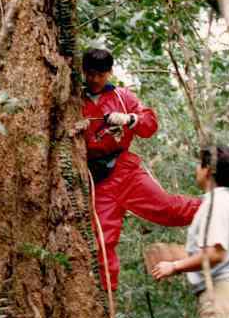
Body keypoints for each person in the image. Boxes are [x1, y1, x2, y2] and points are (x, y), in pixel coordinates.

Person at [80, 48, 202, 291]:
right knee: (101, 242)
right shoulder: (73, 98)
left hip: (125, 170)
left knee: (168, 209)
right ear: (83, 71)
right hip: (98, 180)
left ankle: (212, 207)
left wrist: (129, 120)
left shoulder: (122, 97)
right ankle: (105, 301)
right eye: (91, 74)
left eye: (101, 75)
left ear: (109, 73)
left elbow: (149, 125)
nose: (95, 79)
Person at [152, 146, 229, 317]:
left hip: (221, 298)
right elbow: (221, 253)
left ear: (208, 170)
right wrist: (177, 255)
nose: (196, 168)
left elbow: (215, 254)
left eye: (200, 164)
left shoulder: (216, 203)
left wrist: (174, 266)